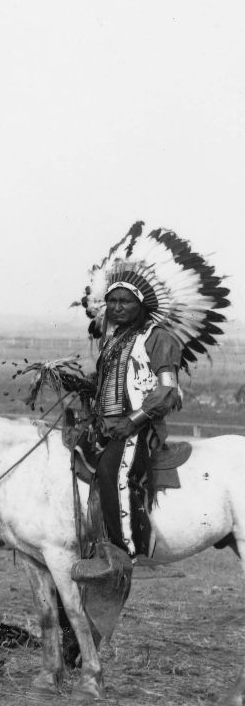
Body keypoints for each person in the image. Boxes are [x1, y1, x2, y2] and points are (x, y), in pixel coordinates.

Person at [76, 223, 226, 571]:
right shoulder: (111, 339)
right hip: (109, 423)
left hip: (139, 426)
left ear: (142, 304)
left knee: (116, 472)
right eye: (111, 301)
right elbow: (109, 382)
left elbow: (167, 390)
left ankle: (130, 553)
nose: (117, 307)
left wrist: (133, 421)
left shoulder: (159, 339)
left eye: (125, 301)